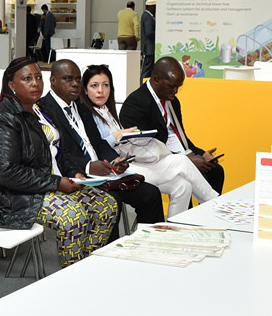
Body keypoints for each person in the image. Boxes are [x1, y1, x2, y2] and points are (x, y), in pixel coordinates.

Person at [0, 57, 118, 268]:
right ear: (12, 85)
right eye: (27, 79)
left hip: (46, 182)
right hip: (11, 194)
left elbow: (60, 151)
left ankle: (86, 266)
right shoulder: (2, 119)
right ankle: (71, 275)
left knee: (107, 206)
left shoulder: (40, 110)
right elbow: (7, 172)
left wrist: (74, 172)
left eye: (38, 77)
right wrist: (56, 183)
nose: (35, 83)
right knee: (73, 216)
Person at [79, 65, 219, 217]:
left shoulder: (108, 112)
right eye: (94, 85)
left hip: (129, 162)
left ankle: (174, 229)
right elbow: (95, 147)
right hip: (111, 170)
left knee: (183, 186)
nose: (100, 90)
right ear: (85, 90)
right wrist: (117, 136)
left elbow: (182, 136)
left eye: (105, 85)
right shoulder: (84, 114)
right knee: (181, 161)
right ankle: (213, 205)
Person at [37, 60, 165, 224]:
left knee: (151, 194)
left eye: (78, 79)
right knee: (111, 202)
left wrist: (114, 160)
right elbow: (56, 153)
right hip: (76, 176)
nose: (75, 84)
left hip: (102, 172)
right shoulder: (43, 109)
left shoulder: (81, 107)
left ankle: (146, 239)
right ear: (53, 80)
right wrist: (88, 166)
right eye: (68, 79)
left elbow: (99, 143)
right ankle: (109, 242)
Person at [120, 57, 225, 196]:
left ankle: (209, 208)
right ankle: (210, 203)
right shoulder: (135, 104)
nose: (176, 91)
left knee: (216, 171)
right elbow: (146, 149)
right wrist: (186, 161)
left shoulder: (172, 101)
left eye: (179, 87)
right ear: (156, 80)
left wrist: (200, 154)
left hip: (178, 155)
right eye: (172, 86)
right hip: (154, 161)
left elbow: (181, 137)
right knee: (184, 179)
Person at [139, 0, 157, 80]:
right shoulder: (147, 17)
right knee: (146, 71)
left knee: (148, 70)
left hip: (149, 48)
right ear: (151, 7)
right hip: (149, 49)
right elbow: (149, 32)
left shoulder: (147, 16)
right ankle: (143, 84)